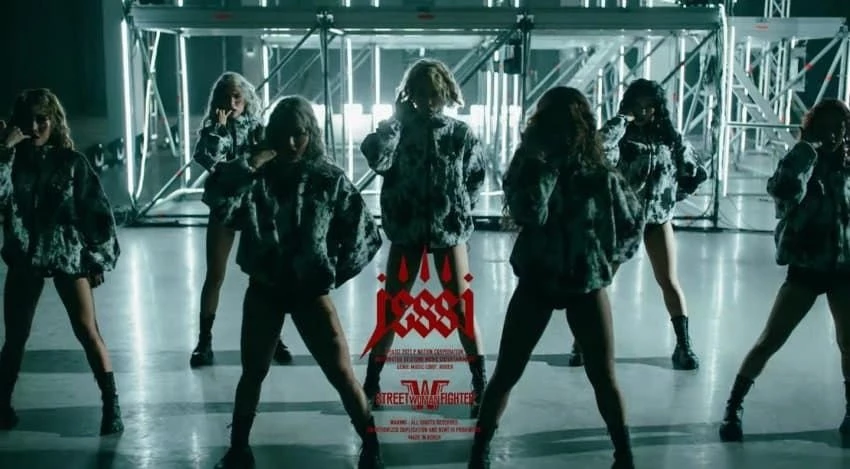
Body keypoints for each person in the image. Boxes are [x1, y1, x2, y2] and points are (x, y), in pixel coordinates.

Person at [467, 86, 643, 469]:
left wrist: (605, 264)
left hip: (579, 282)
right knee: (508, 372)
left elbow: (632, 223)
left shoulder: (597, 174)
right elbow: (530, 212)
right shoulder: (535, 165)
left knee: (602, 376)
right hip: (543, 281)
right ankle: (479, 452)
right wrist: (541, 165)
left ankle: (624, 454)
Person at [206, 95, 385, 469]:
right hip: (265, 290)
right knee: (253, 373)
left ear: (311, 133)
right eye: (283, 134)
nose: (291, 143)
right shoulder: (257, 177)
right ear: (272, 134)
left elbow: (366, 236)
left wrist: (329, 273)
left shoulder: (328, 178)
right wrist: (251, 162)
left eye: (299, 134)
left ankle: (372, 447)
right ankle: (239, 449)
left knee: (341, 374)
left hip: (309, 293)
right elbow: (218, 198)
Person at [359, 58, 488, 418]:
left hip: (448, 232)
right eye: (421, 93)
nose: (429, 101)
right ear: (410, 94)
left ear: (446, 93)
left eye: (435, 93)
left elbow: (476, 176)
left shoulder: (460, 133)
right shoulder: (399, 131)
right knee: (393, 307)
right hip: (408, 230)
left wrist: (458, 210)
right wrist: (393, 123)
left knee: (461, 309)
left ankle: (480, 384)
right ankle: (371, 383)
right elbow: (378, 161)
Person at [719, 98, 850, 442]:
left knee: (849, 343)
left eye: (839, 127)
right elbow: (782, 193)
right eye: (826, 127)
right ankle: (733, 406)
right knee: (770, 340)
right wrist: (806, 152)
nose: (833, 134)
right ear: (813, 128)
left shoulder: (847, 165)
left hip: (843, 268)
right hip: (806, 265)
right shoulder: (801, 161)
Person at [0, 89, 123, 435]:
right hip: (26, 256)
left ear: (54, 121)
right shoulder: (12, 162)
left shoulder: (72, 162)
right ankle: (2, 403)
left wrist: (96, 259)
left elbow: (97, 212)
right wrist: (4, 151)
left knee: (87, 330)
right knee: (16, 336)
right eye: (28, 120)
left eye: (42, 119)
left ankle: (111, 404)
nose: (35, 127)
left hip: (67, 254)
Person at [568, 78, 706, 370]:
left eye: (649, 106)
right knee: (600, 282)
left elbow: (695, 172)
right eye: (638, 105)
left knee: (668, 280)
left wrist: (671, 197)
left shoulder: (670, 138)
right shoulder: (622, 136)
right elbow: (597, 147)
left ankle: (683, 346)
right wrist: (622, 120)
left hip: (657, 219)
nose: (643, 112)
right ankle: (581, 344)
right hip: (622, 219)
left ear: (657, 108)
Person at [191, 71, 291, 368]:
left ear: (246, 99)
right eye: (226, 97)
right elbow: (209, 160)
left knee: (264, 276)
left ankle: (274, 339)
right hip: (224, 205)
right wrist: (221, 132)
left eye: (237, 96)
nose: (232, 102)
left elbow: (272, 157)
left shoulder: (258, 128)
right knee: (215, 275)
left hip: (254, 205)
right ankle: (204, 340)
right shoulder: (213, 129)